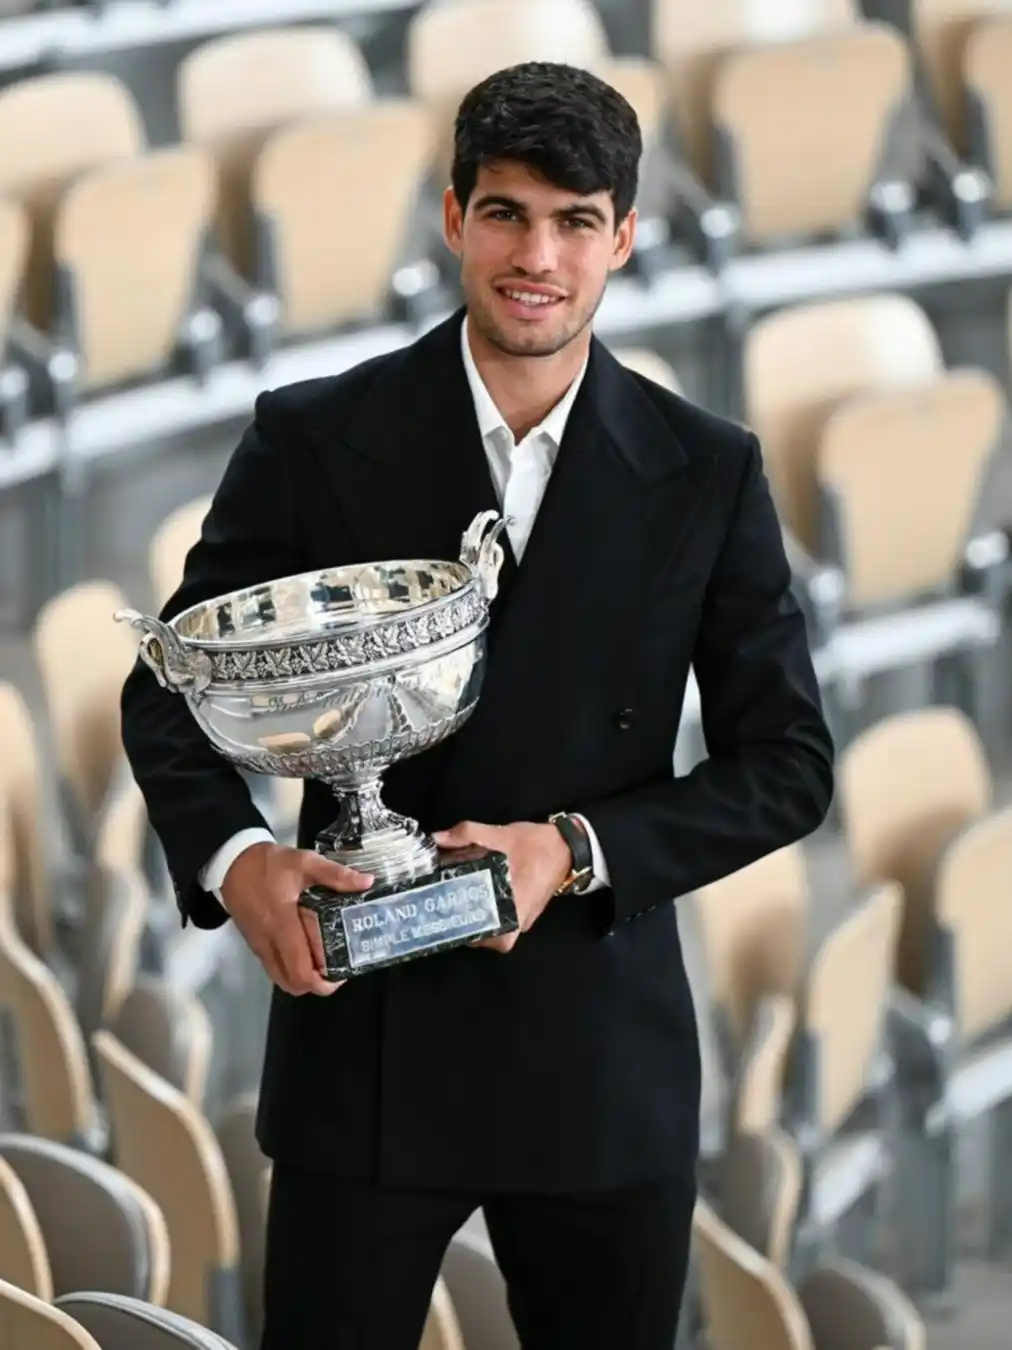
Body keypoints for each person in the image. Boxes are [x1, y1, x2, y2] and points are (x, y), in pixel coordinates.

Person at [121, 60, 834, 1350]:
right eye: (506, 212)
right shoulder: (313, 434)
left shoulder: (707, 472)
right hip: (364, 1049)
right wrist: (238, 863)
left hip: (597, 1061)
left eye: (574, 221)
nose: (537, 256)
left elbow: (786, 764)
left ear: (624, 236)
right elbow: (168, 681)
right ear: (454, 219)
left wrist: (572, 850)